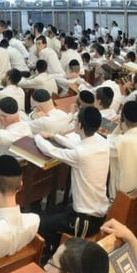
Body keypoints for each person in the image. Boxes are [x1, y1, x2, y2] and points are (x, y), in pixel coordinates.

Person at [34, 106, 111, 253]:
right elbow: (77, 145)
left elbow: (50, 151)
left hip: (83, 221)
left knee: (42, 224)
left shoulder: (81, 154)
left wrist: (38, 136)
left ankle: (51, 253)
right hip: (98, 212)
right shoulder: (102, 143)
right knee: (53, 213)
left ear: (80, 125)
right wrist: (54, 136)